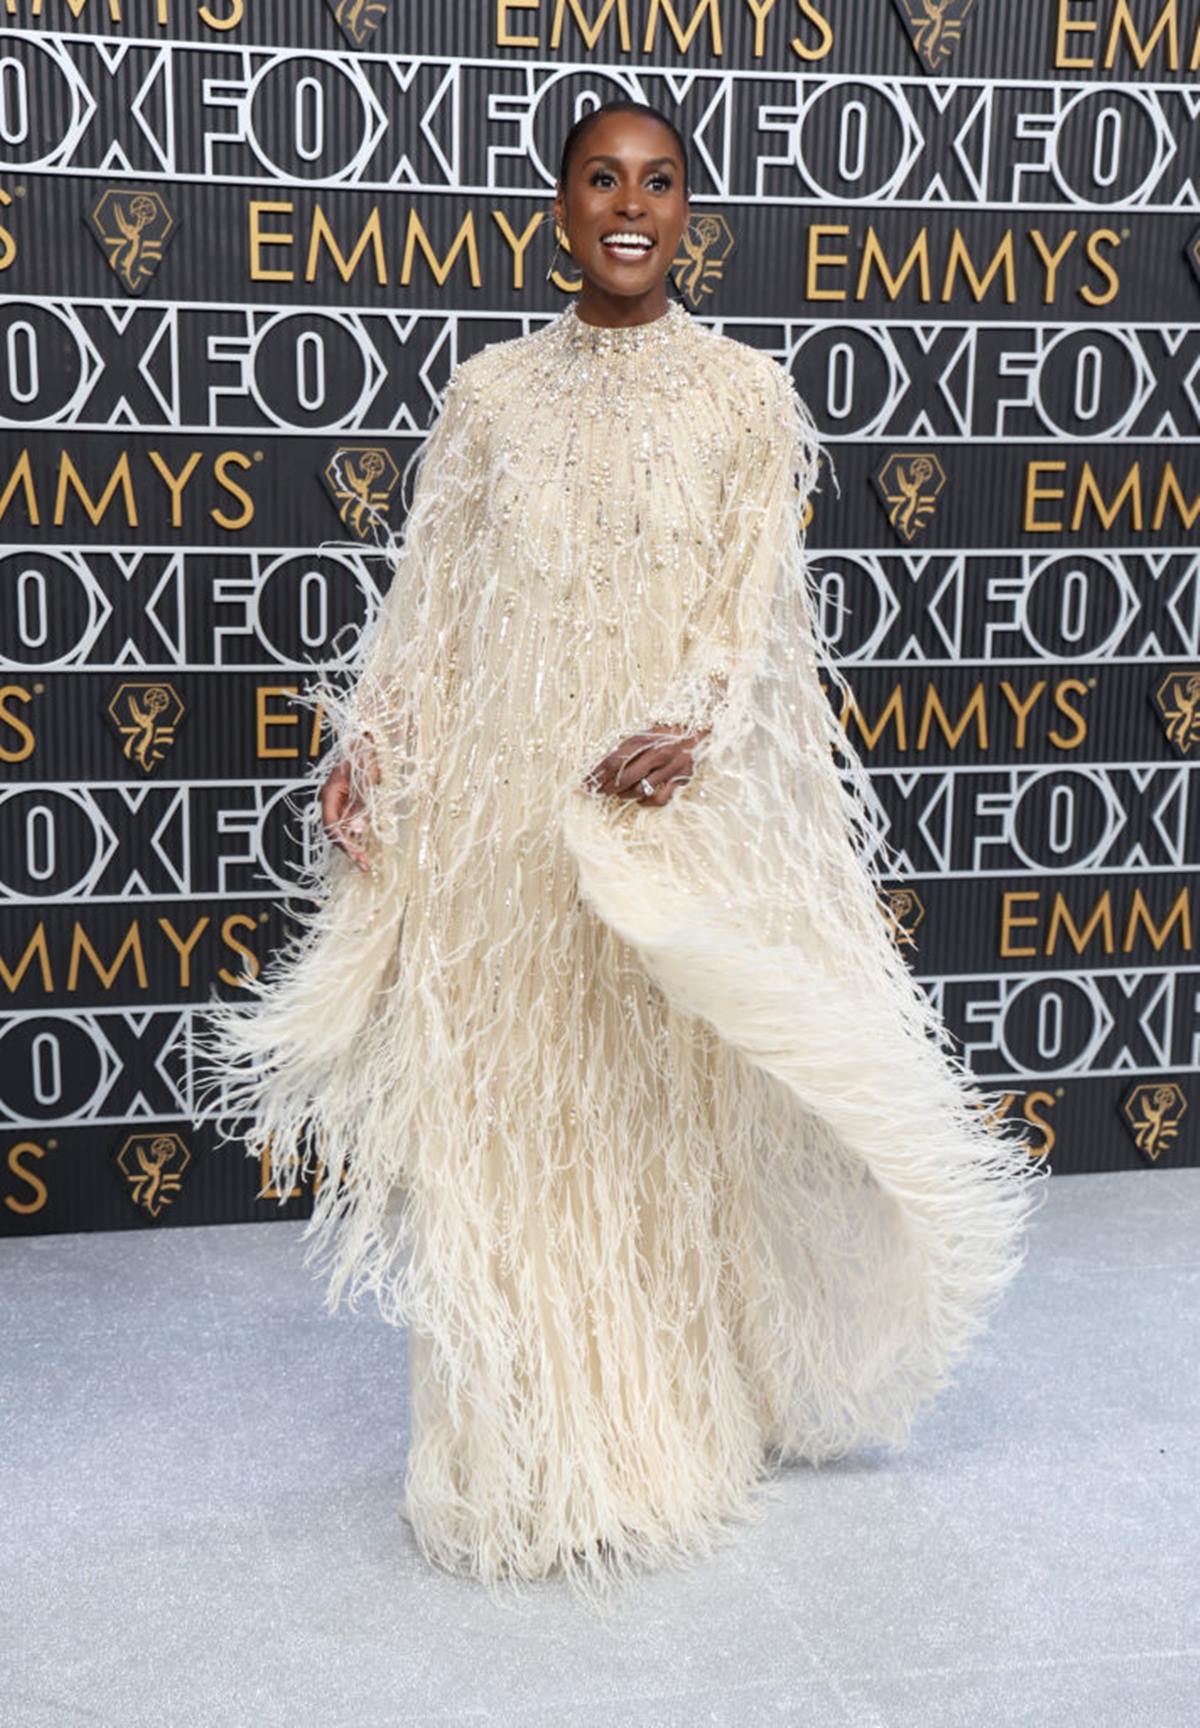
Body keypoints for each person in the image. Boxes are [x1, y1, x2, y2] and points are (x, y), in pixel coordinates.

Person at [193, 100, 1048, 1614]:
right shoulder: (491, 395)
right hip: (494, 835)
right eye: (604, 181)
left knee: (641, 1140)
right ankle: (519, 1456)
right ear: (562, 207)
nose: (631, 207)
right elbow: (433, 602)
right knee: (518, 1143)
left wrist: (697, 721)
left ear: (691, 213)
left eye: (659, 184)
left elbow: (751, 607)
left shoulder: (744, 397)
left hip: (643, 826)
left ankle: (651, 1444)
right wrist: (374, 741)